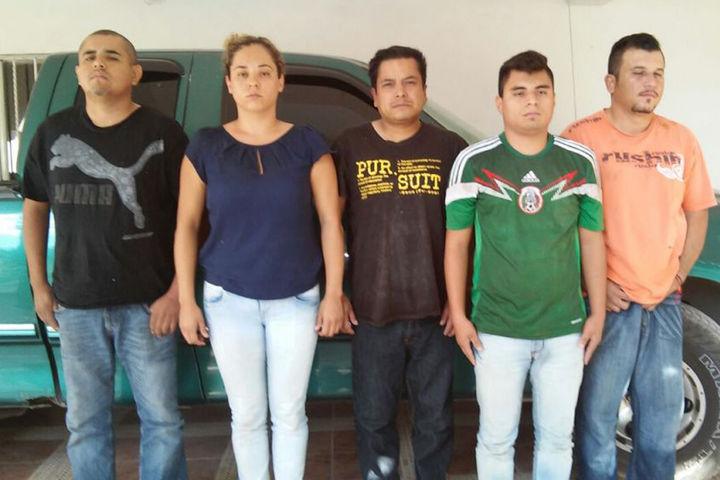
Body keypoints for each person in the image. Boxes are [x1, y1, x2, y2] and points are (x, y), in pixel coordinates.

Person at [174, 34, 346, 480]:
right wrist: (187, 302)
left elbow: (330, 222)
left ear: (280, 81)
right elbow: (187, 226)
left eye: (264, 73)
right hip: (227, 299)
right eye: (243, 73)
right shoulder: (206, 146)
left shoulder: (308, 143)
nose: (254, 82)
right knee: (247, 415)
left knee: (289, 412)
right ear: (229, 83)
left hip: (297, 298)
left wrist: (333, 294)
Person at [22, 30, 187, 480]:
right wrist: (39, 286)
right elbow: (35, 209)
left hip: (149, 304)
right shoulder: (53, 132)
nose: (99, 62)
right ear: (78, 73)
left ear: (134, 73)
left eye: (112, 56)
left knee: (163, 421)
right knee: (84, 423)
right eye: (90, 56)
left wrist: (176, 293)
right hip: (75, 304)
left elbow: (192, 220)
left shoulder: (164, 133)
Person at [444, 50, 606, 479]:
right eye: (519, 92)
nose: (531, 101)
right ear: (499, 102)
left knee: (557, 439)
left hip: (565, 329)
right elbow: (456, 244)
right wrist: (459, 315)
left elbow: (592, 239)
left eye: (541, 91)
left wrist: (598, 312)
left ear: (554, 98)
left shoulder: (579, 161)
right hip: (496, 330)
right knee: (496, 439)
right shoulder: (474, 162)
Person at [562, 32, 717, 480]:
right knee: (597, 420)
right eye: (639, 73)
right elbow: (561, 222)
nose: (651, 83)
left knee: (661, 424)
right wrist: (593, 284)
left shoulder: (680, 139)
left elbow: (697, 213)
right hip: (608, 306)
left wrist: (679, 275)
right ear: (611, 82)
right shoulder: (580, 139)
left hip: (664, 303)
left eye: (658, 74)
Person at [333, 45, 467, 479]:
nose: (401, 92)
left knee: (436, 420)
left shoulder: (450, 148)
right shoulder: (349, 146)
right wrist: (336, 292)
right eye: (388, 84)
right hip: (372, 313)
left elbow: (469, 232)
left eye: (411, 82)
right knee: (373, 420)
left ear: (425, 90)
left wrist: (459, 301)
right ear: (374, 95)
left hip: (435, 313)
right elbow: (329, 224)